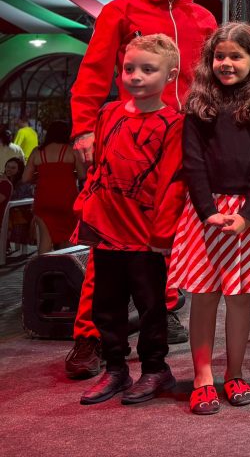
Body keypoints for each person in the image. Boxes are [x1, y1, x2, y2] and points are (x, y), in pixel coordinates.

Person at [66, 0, 216, 379]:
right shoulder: (120, 11)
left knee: (171, 231)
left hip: (185, 139)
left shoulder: (203, 17)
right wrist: (83, 129)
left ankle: (164, 309)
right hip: (130, 140)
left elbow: (212, 79)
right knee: (109, 240)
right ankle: (89, 335)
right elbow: (94, 71)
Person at [169, 23, 250, 415]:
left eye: (236, 56)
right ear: (209, 59)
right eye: (220, 56)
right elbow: (193, 162)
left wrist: (248, 214)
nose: (227, 63)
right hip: (207, 212)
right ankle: (202, 377)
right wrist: (208, 212)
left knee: (240, 297)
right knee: (204, 296)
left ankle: (234, 373)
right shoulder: (198, 103)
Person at [73, 35, 186, 406]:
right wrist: (88, 207)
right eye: (129, 68)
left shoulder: (174, 123)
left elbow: (173, 181)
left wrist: (163, 234)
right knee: (106, 305)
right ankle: (116, 368)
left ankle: (155, 368)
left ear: (170, 75)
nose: (136, 76)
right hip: (107, 230)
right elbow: (99, 165)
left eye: (147, 69)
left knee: (151, 305)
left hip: (145, 236)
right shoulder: (108, 113)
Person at [24, 120, 82, 253]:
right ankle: (66, 265)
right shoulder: (72, 150)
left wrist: (42, 175)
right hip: (67, 200)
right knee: (68, 237)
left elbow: (25, 178)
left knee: (45, 239)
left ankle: (43, 266)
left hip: (44, 199)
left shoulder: (37, 152)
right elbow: (82, 174)